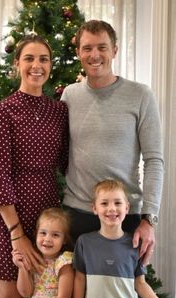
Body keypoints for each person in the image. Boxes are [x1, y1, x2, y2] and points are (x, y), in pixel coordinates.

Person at [61, 20, 164, 264]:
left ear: (115, 50)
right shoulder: (69, 95)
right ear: (78, 53)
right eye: (87, 48)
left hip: (123, 215)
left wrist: (149, 220)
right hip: (77, 215)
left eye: (102, 47)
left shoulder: (141, 95)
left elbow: (154, 160)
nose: (94, 55)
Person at [0, 34, 69, 298]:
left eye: (43, 59)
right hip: (8, 220)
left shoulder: (59, 111)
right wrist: (16, 234)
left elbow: (67, 161)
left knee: (46, 295)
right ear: (16, 64)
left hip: (47, 219)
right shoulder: (1, 112)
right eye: (29, 58)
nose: (36, 65)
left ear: (51, 65)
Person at [73, 180, 163, 298]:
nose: (111, 208)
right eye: (104, 203)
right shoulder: (84, 242)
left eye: (118, 203)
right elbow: (79, 279)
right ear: (94, 208)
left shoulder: (136, 244)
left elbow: (140, 283)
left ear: (126, 208)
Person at [12, 207, 74, 298]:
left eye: (55, 235)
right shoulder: (32, 259)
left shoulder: (63, 262)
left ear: (64, 239)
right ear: (36, 234)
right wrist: (22, 268)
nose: (48, 239)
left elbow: (64, 296)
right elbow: (25, 293)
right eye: (43, 233)